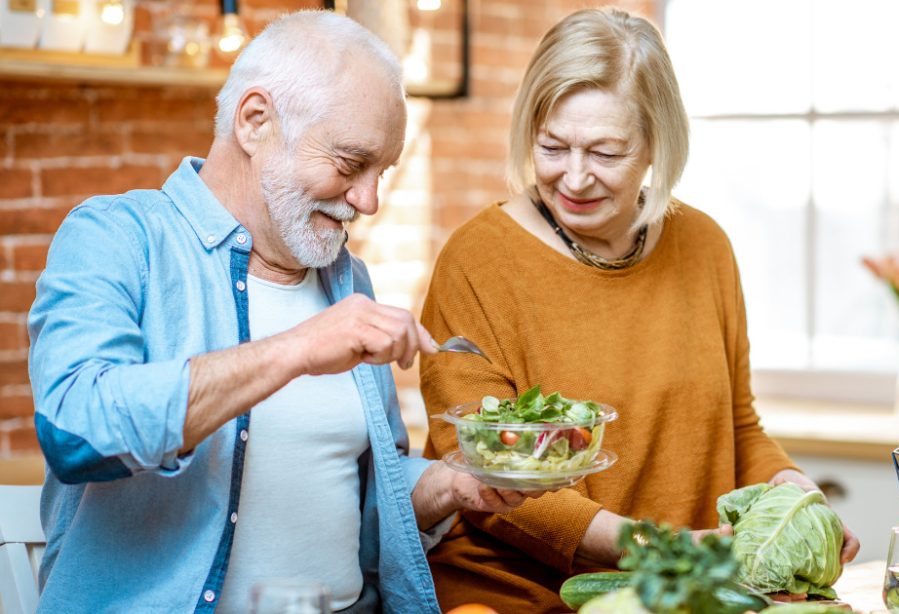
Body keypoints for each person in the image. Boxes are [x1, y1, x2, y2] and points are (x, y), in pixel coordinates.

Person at [27, 11, 537, 614]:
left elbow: (358, 504)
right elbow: (75, 429)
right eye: (351, 164)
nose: (368, 201)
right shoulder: (118, 237)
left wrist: (450, 485)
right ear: (255, 121)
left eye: (383, 172)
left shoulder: (349, 282)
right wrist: (294, 349)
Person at [418, 8, 861, 612]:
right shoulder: (477, 260)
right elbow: (479, 471)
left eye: (605, 152)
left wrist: (796, 499)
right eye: (552, 146)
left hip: (680, 590)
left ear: (657, 144)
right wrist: (655, 548)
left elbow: (738, 428)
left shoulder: (704, 246)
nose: (574, 178)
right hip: (516, 596)